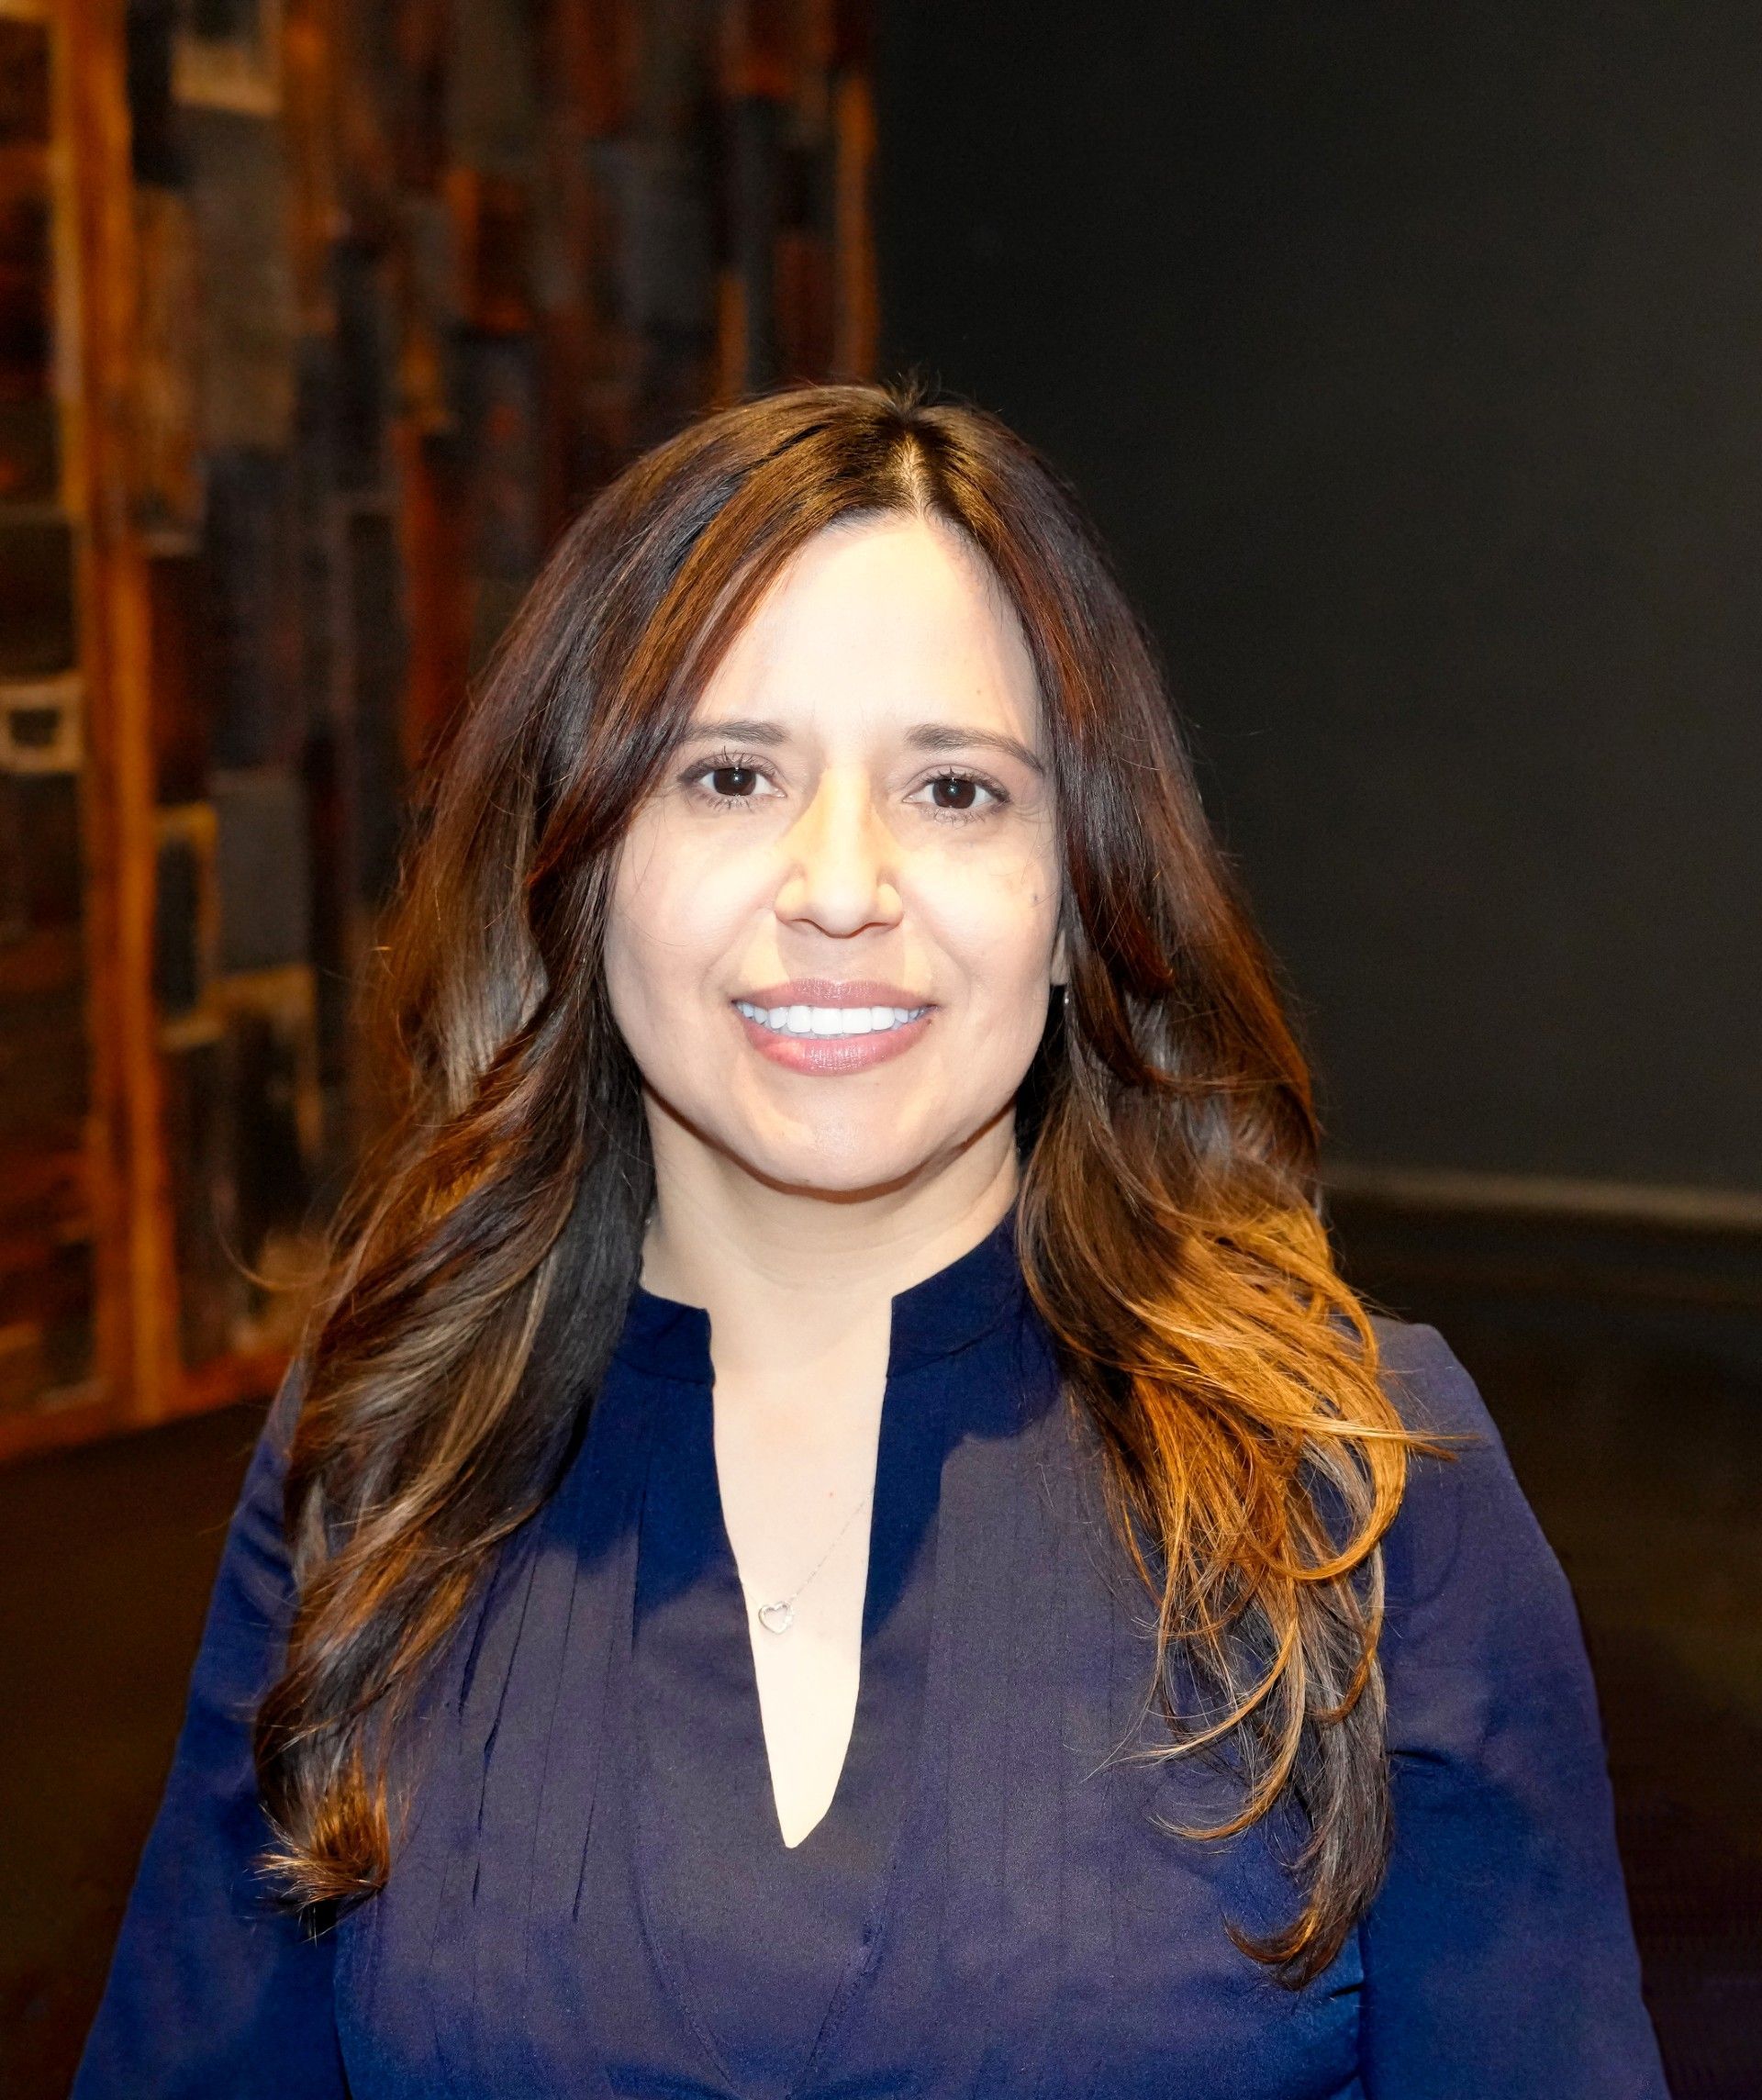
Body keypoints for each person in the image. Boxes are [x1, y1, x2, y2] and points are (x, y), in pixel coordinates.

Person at [73, 380, 1671, 2098]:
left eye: (959, 794)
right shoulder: (386, 1449)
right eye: (732, 773)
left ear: (1081, 900)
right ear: (585, 864)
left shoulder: (1356, 1486)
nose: (841, 885)